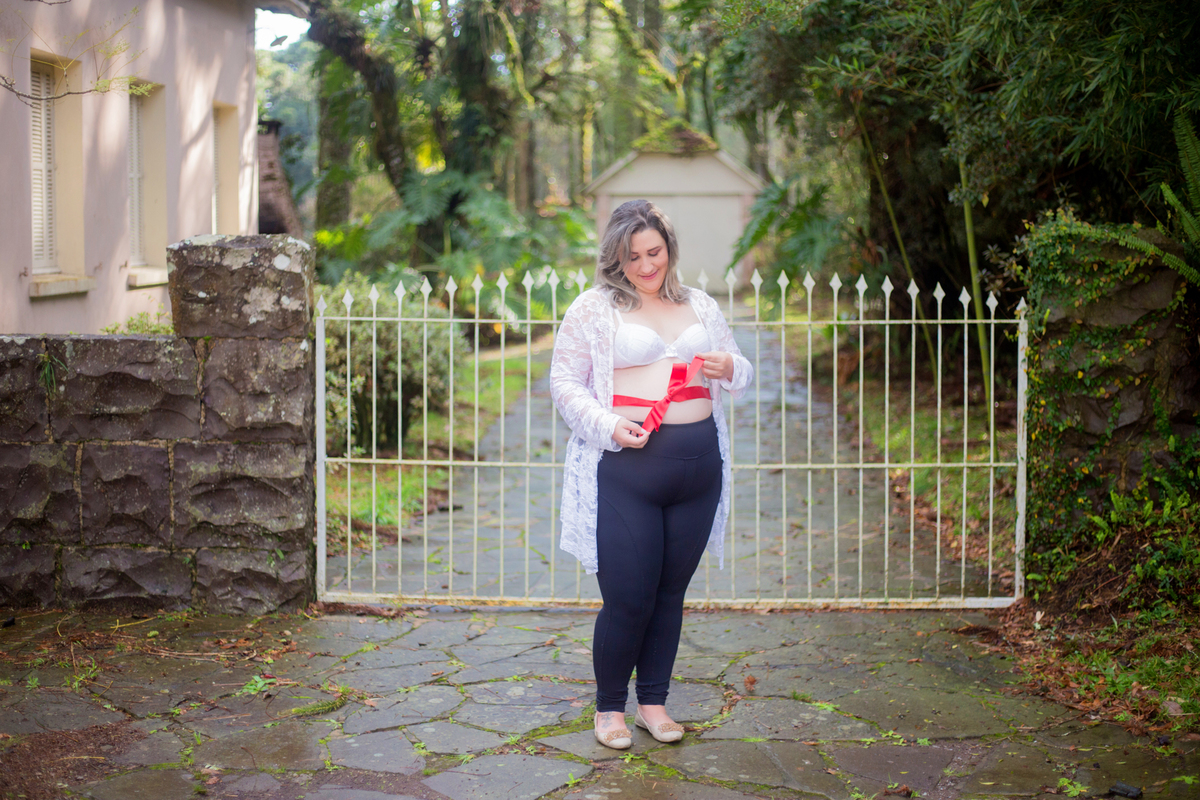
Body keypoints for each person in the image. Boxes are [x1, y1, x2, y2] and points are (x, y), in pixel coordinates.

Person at [550, 200, 753, 749]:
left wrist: (729, 366)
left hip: (698, 471)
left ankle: (653, 703)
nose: (646, 265)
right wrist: (609, 424)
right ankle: (609, 709)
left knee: (669, 595)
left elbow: (741, 370)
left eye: (654, 252)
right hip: (627, 470)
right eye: (633, 255)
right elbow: (564, 383)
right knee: (629, 596)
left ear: (669, 248)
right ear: (617, 257)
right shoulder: (593, 309)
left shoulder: (701, 306)